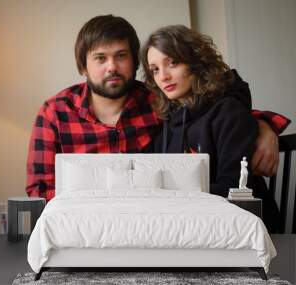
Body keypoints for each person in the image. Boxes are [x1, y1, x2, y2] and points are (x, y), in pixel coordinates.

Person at [26, 15, 289, 203]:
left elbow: (217, 100)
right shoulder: (55, 113)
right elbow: (40, 192)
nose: (112, 67)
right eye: (100, 58)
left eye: (121, 56)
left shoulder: (156, 101)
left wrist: (264, 127)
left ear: (132, 61)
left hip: (163, 218)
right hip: (84, 222)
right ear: (83, 66)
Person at [140, 24, 290, 232]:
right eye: (155, 69)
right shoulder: (168, 125)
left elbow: (234, 190)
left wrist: (168, 193)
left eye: (173, 63)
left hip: (247, 230)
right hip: (196, 227)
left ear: (196, 63)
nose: (163, 76)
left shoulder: (228, 112)